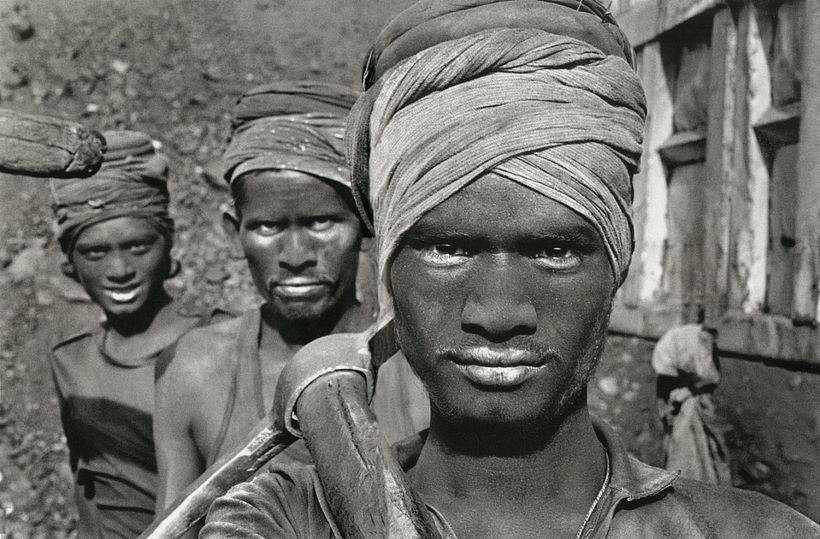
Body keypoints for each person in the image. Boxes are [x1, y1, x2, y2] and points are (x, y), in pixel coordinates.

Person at [201, 1, 820, 538]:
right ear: (387, 267)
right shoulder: (284, 520)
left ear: (618, 265)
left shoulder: (758, 532)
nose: (497, 314)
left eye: (555, 251)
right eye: (448, 249)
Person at [153, 81, 428, 522]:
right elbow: (174, 526)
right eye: (267, 228)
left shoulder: (420, 367)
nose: (296, 257)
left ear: (368, 225)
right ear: (232, 230)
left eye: (322, 222)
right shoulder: (197, 368)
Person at [49, 130, 225, 538]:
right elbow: (89, 489)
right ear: (70, 263)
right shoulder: (71, 362)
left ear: (168, 245)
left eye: (138, 246)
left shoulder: (222, 342)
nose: (120, 270)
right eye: (94, 252)